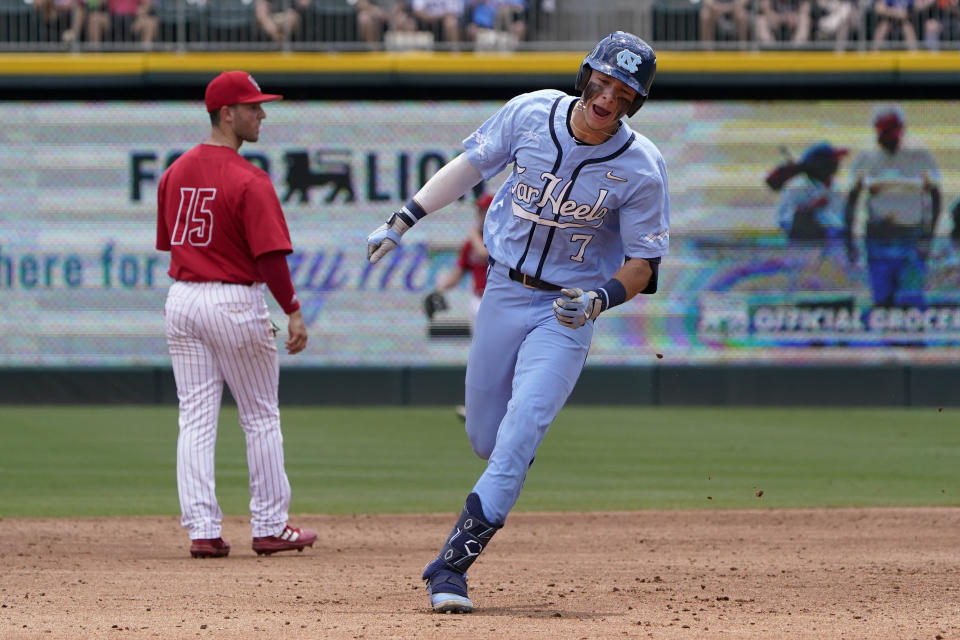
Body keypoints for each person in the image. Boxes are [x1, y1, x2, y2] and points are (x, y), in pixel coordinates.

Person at [366, 31, 668, 613]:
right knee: (486, 436)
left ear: (635, 101)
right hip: (504, 291)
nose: (607, 97)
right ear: (586, 77)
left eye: (623, 90)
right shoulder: (532, 112)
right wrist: (403, 219)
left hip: (568, 309)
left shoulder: (641, 166)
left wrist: (601, 300)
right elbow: (470, 166)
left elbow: (643, 263)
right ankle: (510, 451)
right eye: (602, 82)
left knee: (519, 430)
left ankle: (450, 569)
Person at [156, 70, 317, 559]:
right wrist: (291, 309)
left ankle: (202, 530)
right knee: (260, 415)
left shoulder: (174, 171)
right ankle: (270, 525)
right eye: (253, 107)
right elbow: (270, 258)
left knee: (196, 418)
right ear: (227, 114)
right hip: (232, 300)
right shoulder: (250, 179)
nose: (261, 114)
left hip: (182, 298)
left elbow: (172, 242)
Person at [844, 106, 941, 308]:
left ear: (901, 130)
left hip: (911, 236)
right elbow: (852, 199)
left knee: (911, 299)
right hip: (878, 237)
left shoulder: (920, 155)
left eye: (890, 131)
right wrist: (850, 239)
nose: (885, 136)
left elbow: (935, 195)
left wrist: (929, 235)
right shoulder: (865, 157)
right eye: (882, 131)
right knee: (882, 299)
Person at [765, 142, 849, 293]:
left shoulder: (833, 186)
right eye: (833, 161)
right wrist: (809, 209)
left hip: (832, 243)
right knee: (806, 282)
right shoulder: (797, 186)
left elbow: (838, 218)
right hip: (806, 244)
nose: (837, 165)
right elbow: (785, 220)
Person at [425, 192, 492, 330]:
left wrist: (473, 234)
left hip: (499, 301)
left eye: (484, 210)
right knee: (480, 347)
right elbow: (458, 272)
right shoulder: (471, 244)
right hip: (478, 300)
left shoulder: (502, 237)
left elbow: (484, 254)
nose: (480, 214)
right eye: (480, 210)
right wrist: (439, 290)